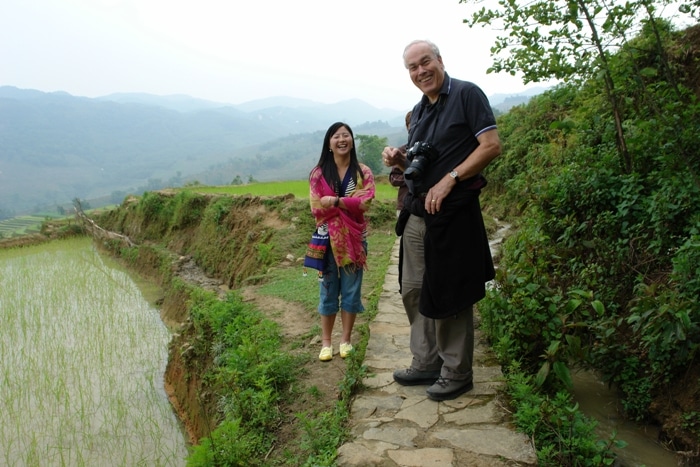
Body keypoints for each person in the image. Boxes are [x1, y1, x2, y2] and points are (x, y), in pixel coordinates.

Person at [381, 40, 501, 401]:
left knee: (450, 291)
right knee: (414, 288)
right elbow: (424, 167)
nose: (421, 71)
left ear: (440, 60)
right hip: (418, 213)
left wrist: (451, 177)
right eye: (413, 68)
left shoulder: (466, 94)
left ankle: (456, 371)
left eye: (425, 62)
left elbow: (491, 145)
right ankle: (426, 361)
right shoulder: (419, 111)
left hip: (453, 214)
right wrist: (400, 162)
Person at [309, 122, 375, 362]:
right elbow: (316, 207)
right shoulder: (318, 173)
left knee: (351, 290)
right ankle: (326, 342)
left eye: (346, 135)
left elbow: (366, 203)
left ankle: (345, 339)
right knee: (327, 291)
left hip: (355, 241)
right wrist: (349, 202)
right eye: (337, 136)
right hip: (327, 241)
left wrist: (335, 202)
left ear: (352, 140)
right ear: (329, 143)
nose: (342, 139)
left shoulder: (363, 172)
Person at [388, 111, 412, 217]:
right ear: (407, 127)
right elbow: (393, 178)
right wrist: (413, 178)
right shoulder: (400, 151)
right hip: (404, 205)